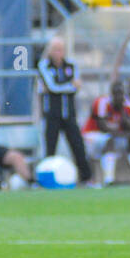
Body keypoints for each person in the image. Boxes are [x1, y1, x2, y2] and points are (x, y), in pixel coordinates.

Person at [36, 37, 94, 185]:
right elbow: (52, 86)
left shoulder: (71, 65)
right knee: (50, 148)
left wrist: (66, 87)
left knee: (78, 145)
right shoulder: (44, 65)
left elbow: (76, 85)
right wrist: (70, 86)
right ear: (50, 51)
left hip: (69, 113)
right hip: (52, 114)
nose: (58, 53)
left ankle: (87, 178)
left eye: (61, 49)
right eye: (55, 49)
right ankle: (46, 180)